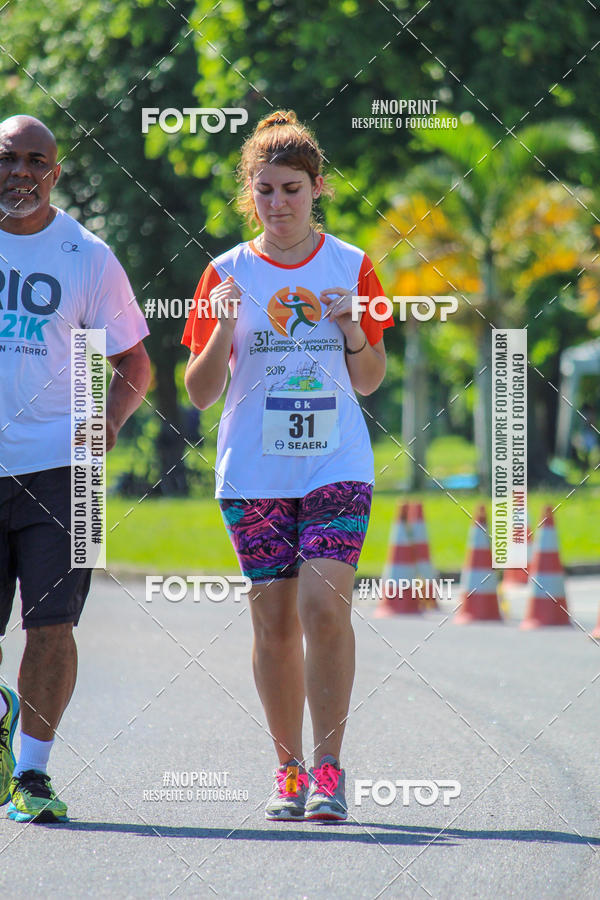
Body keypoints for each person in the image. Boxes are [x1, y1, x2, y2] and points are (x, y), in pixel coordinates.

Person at [182, 110, 392, 822]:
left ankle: (330, 768)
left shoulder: (351, 265)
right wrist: (222, 326)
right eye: (265, 189)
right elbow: (200, 391)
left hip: (336, 462)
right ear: (250, 193)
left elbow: (369, 379)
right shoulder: (224, 273)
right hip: (255, 471)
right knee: (272, 625)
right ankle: (289, 771)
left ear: (318, 188)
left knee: (321, 607)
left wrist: (352, 326)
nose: (279, 203)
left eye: (292, 189)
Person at [0, 115, 151, 822]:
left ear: (55, 173)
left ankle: (31, 777)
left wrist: (113, 421)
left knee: (52, 626)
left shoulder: (87, 255)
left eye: (36, 160)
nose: (20, 172)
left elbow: (134, 364)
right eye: (7, 158)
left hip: (65, 472)